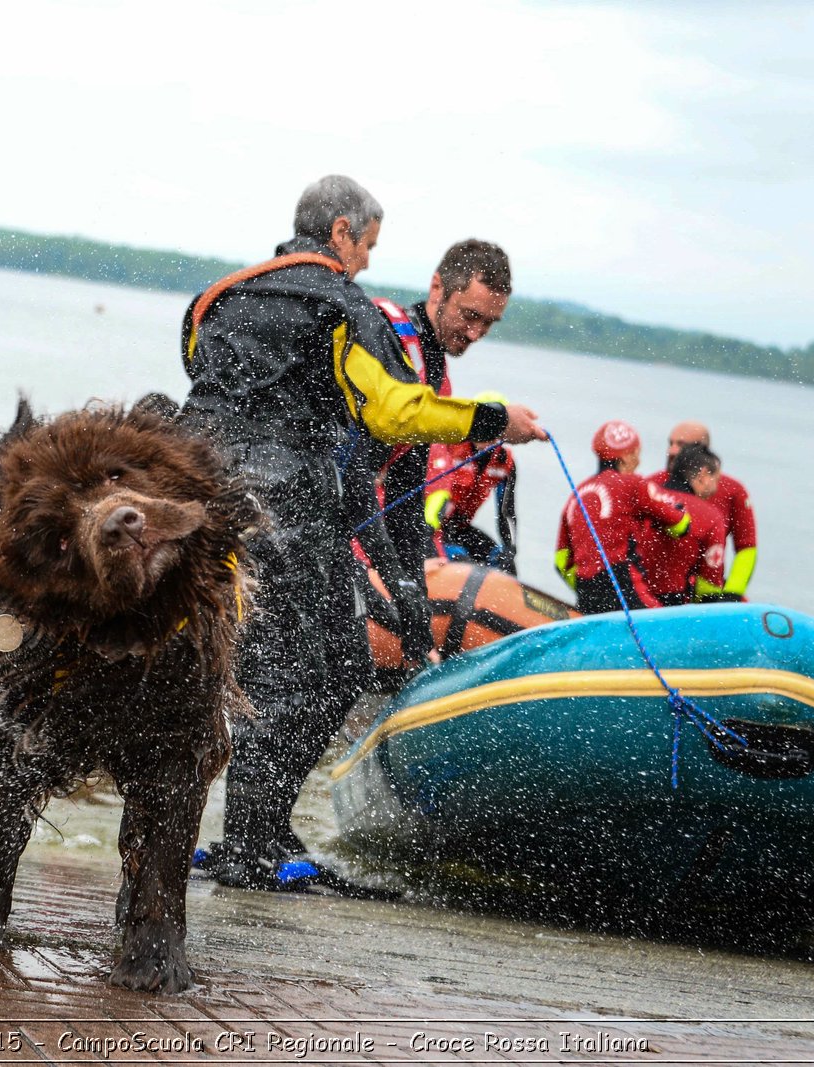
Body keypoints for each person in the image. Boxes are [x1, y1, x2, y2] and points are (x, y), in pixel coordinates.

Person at [181, 175, 545, 892]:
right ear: (341, 232)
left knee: (308, 671)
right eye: (368, 245)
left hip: (203, 497)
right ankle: (248, 847)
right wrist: (493, 420)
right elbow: (389, 412)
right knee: (302, 677)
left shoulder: (216, 296)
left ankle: (256, 830)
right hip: (286, 513)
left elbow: (203, 378)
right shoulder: (345, 306)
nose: (369, 263)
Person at [367, 240, 516, 581]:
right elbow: (350, 467)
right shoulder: (385, 334)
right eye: (470, 315)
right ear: (437, 288)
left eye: (489, 323)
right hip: (312, 512)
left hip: (360, 518)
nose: (476, 332)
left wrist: (410, 575)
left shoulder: (437, 376)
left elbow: (406, 489)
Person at [555, 420, 688, 614]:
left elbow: (561, 561)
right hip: (623, 584)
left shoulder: (578, 493)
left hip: (587, 592)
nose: (639, 462)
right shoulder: (634, 484)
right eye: (637, 454)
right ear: (625, 457)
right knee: (659, 627)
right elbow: (681, 524)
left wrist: (592, 587)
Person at [647, 422, 757, 599]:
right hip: (655, 590)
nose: (672, 451)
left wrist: (732, 593)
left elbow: (746, 548)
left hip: (706, 587)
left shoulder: (732, 491)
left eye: (681, 445)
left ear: (702, 451)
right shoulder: (650, 485)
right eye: (671, 443)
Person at [421, 390, 519, 574]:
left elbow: (506, 512)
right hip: (432, 527)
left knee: (503, 563)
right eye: (482, 424)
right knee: (462, 562)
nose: (487, 433)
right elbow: (436, 497)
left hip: (461, 528)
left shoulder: (505, 462)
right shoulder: (449, 447)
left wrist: (510, 549)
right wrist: (427, 538)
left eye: (494, 426)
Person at [639, 444, 727, 606]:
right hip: (670, 605)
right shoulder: (710, 517)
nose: (716, 487)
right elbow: (709, 585)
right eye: (716, 478)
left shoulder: (645, 499)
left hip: (625, 598)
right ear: (703, 475)